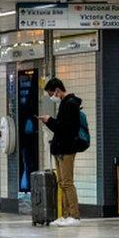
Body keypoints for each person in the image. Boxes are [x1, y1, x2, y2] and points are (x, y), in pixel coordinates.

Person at [39, 77, 82, 227]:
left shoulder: (70, 104)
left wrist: (49, 120)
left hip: (67, 150)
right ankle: (65, 214)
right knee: (62, 183)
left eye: (52, 93)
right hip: (60, 149)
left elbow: (64, 129)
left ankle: (74, 215)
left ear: (57, 90)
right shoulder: (65, 104)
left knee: (68, 183)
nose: (52, 97)